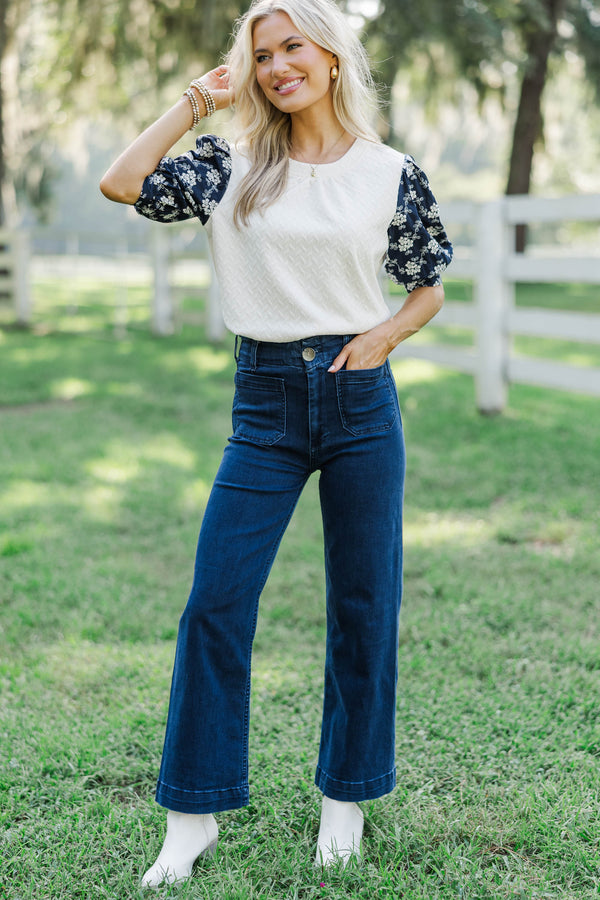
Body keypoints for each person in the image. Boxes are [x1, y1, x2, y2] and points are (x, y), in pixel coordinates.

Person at [100, 0, 452, 887]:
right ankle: (192, 815)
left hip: (359, 400)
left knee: (364, 606)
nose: (275, 66)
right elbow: (123, 181)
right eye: (261, 54)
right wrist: (196, 101)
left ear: (332, 56)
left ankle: (346, 800)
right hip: (263, 404)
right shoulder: (232, 162)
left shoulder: (389, 171)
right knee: (216, 602)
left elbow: (427, 284)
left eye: (292, 46)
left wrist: (382, 339)